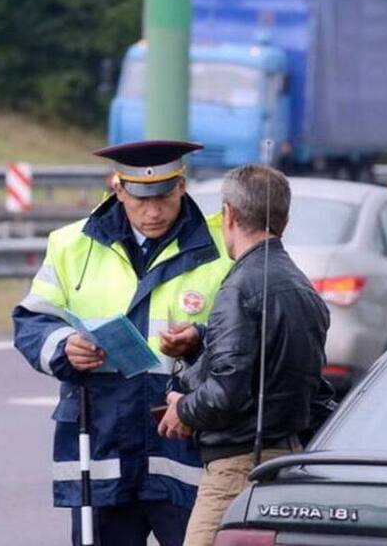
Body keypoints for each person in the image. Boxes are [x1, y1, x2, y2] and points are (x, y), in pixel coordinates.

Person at [12, 140, 234, 546]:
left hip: (183, 449)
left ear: (182, 186)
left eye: (164, 197)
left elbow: (243, 338)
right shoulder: (71, 245)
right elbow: (31, 321)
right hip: (101, 444)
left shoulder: (221, 249)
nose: (152, 212)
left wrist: (198, 341)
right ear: (118, 189)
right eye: (139, 199)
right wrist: (64, 346)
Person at [157, 164, 336, 546]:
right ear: (284, 220)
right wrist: (202, 338)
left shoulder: (239, 287)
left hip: (238, 467)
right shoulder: (302, 288)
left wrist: (183, 408)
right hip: (286, 458)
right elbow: (272, 362)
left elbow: (228, 390)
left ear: (229, 215)